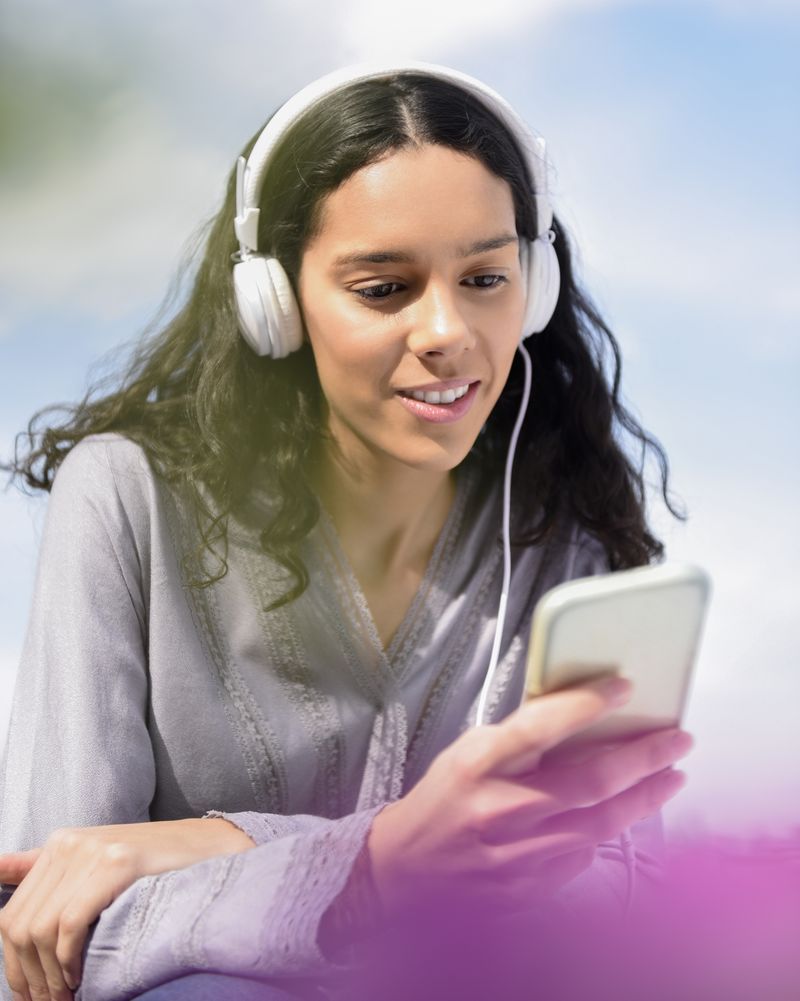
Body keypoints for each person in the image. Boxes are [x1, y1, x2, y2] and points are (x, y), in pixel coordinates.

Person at [0, 61, 692, 1001]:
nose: (449, 329)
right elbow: (43, 931)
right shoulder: (129, 498)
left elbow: (620, 896)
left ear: (532, 288)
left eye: (487, 276)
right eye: (383, 288)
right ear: (275, 305)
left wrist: (224, 845)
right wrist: (370, 872)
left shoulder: (566, 541)